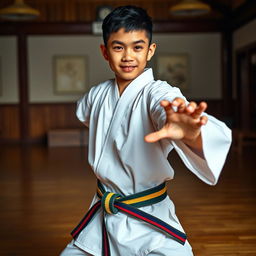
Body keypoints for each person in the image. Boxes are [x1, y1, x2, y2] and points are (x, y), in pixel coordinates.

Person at [60, 5, 232, 256]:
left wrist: (189, 132)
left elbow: (167, 107)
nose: (128, 56)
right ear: (105, 52)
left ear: (150, 50)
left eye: (137, 47)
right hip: (104, 214)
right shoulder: (96, 96)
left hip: (150, 217)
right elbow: (84, 112)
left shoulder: (158, 93)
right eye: (118, 47)